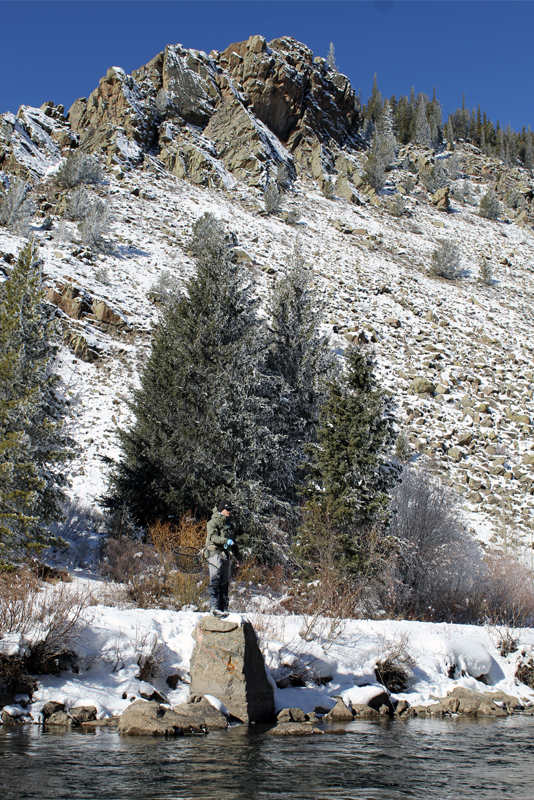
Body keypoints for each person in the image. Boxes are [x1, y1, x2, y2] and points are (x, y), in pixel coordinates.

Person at [205, 500, 241, 616]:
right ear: (222, 510)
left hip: (225, 555)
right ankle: (214, 607)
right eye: (227, 509)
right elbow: (213, 538)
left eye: (231, 509)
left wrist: (238, 557)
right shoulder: (212, 522)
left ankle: (224, 608)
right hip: (214, 553)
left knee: (225, 582)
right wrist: (226, 541)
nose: (230, 511)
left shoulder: (229, 524)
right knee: (215, 580)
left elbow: (234, 543)